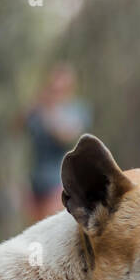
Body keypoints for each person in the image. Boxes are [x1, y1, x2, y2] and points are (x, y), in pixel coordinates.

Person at [24, 64, 91, 221]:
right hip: (35, 182)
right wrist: (34, 105)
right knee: (35, 233)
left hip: (60, 181)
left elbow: (65, 136)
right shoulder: (39, 109)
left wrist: (49, 111)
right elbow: (17, 126)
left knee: (51, 227)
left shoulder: (77, 109)